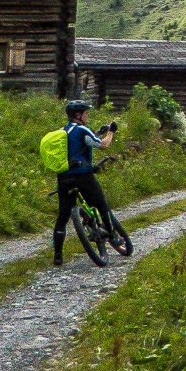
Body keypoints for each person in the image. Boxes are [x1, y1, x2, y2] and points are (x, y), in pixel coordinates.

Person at [53, 99, 117, 266]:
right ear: (79, 115)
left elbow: (75, 144)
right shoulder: (82, 129)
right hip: (82, 175)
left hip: (63, 177)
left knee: (63, 216)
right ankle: (112, 234)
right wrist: (111, 132)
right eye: (86, 114)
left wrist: (96, 131)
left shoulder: (62, 132)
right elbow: (102, 145)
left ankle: (58, 255)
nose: (88, 116)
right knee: (101, 204)